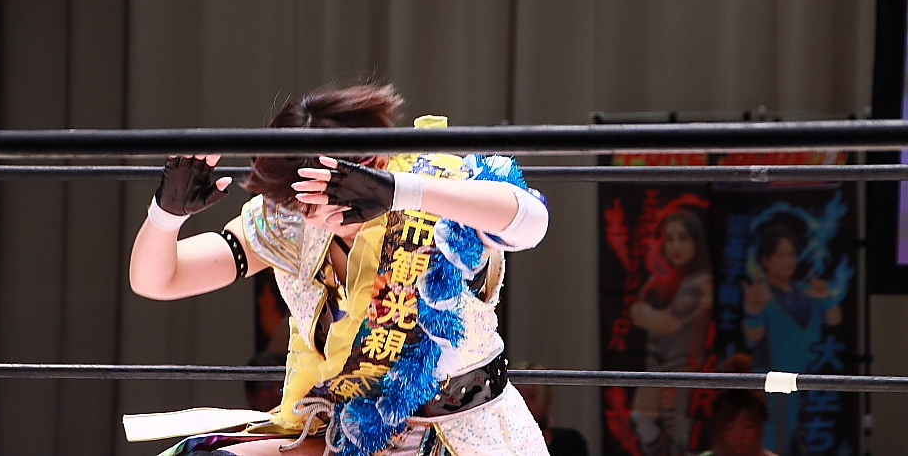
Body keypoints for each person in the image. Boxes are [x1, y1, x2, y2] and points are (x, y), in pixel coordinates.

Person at [128, 84, 551, 456]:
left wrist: (399, 192)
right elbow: (157, 280)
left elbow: (533, 221)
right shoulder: (290, 222)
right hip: (350, 436)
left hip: (461, 435)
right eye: (298, 201)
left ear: (376, 164)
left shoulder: (435, 188)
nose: (309, 213)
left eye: (325, 194)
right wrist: (166, 216)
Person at [741, 219, 842, 455]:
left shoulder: (806, 291)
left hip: (811, 381)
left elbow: (834, 319)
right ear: (765, 260)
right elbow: (752, 337)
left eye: (791, 255)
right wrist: (753, 311)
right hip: (777, 383)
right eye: (781, 255)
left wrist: (826, 298)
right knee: (777, 441)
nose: (788, 261)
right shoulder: (761, 294)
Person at [629, 209, 713, 456]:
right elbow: (637, 313)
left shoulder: (701, 282)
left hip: (686, 370)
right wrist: (643, 312)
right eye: (670, 238)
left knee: (682, 436)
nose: (675, 245)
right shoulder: (659, 280)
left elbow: (667, 323)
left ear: (696, 242)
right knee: (642, 419)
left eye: (683, 238)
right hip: (657, 367)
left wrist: (644, 312)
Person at [512, 362, 589, 456]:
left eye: (531, 396)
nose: (522, 401)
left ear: (547, 400)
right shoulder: (498, 441)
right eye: (516, 394)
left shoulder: (570, 442)